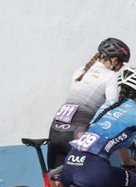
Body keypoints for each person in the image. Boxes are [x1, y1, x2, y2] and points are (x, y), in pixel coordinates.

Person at [48, 37, 129, 175]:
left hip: (56, 127)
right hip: (77, 130)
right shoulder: (110, 76)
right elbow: (112, 111)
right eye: (121, 64)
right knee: (83, 182)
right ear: (114, 60)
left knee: (57, 184)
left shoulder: (80, 70)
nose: (120, 68)